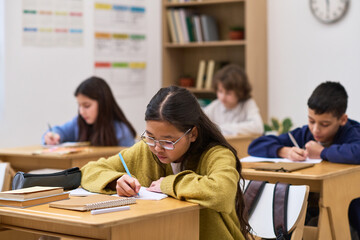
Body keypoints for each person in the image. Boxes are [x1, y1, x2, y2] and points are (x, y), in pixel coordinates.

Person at [81, 86, 252, 240]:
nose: (157, 148)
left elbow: (222, 193)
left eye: (168, 141)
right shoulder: (145, 150)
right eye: (150, 136)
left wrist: (169, 184)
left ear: (192, 134)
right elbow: (88, 170)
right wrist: (116, 179)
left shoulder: (217, 155)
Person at [248, 81, 360, 236]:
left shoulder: (352, 133)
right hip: (310, 204)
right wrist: (283, 151)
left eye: (324, 124)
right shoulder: (304, 134)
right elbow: (256, 145)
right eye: (311, 121)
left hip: (349, 214)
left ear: (342, 120)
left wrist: (322, 152)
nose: (315, 129)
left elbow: (356, 152)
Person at [42, 76, 136, 147]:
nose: (81, 112)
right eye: (79, 105)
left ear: (103, 104)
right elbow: (59, 131)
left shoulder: (122, 132)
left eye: (87, 106)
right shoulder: (78, 123)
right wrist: (52, 136)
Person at [204, 64, 263, 136]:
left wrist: (222, 128)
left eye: (228, 93)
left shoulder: (248, 104)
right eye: (220, 91)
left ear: (240, 92)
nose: (222, 97)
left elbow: (258, 127)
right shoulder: (215, 106)